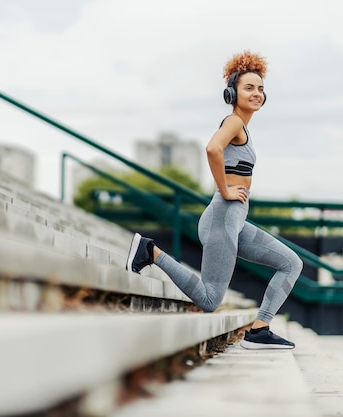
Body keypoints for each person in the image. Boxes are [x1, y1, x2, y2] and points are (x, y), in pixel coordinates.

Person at [125, 50, 303, 349]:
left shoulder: (243, 127)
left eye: (260, 88)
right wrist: (225, 189)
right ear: (232, 92)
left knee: (291, 263)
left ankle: (260, 329)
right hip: (223, 216)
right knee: (210, 299)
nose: (257, 93)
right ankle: (150, 251)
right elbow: (212, 149)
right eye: (249, 88)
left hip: (234, 220)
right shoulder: (233, 122)